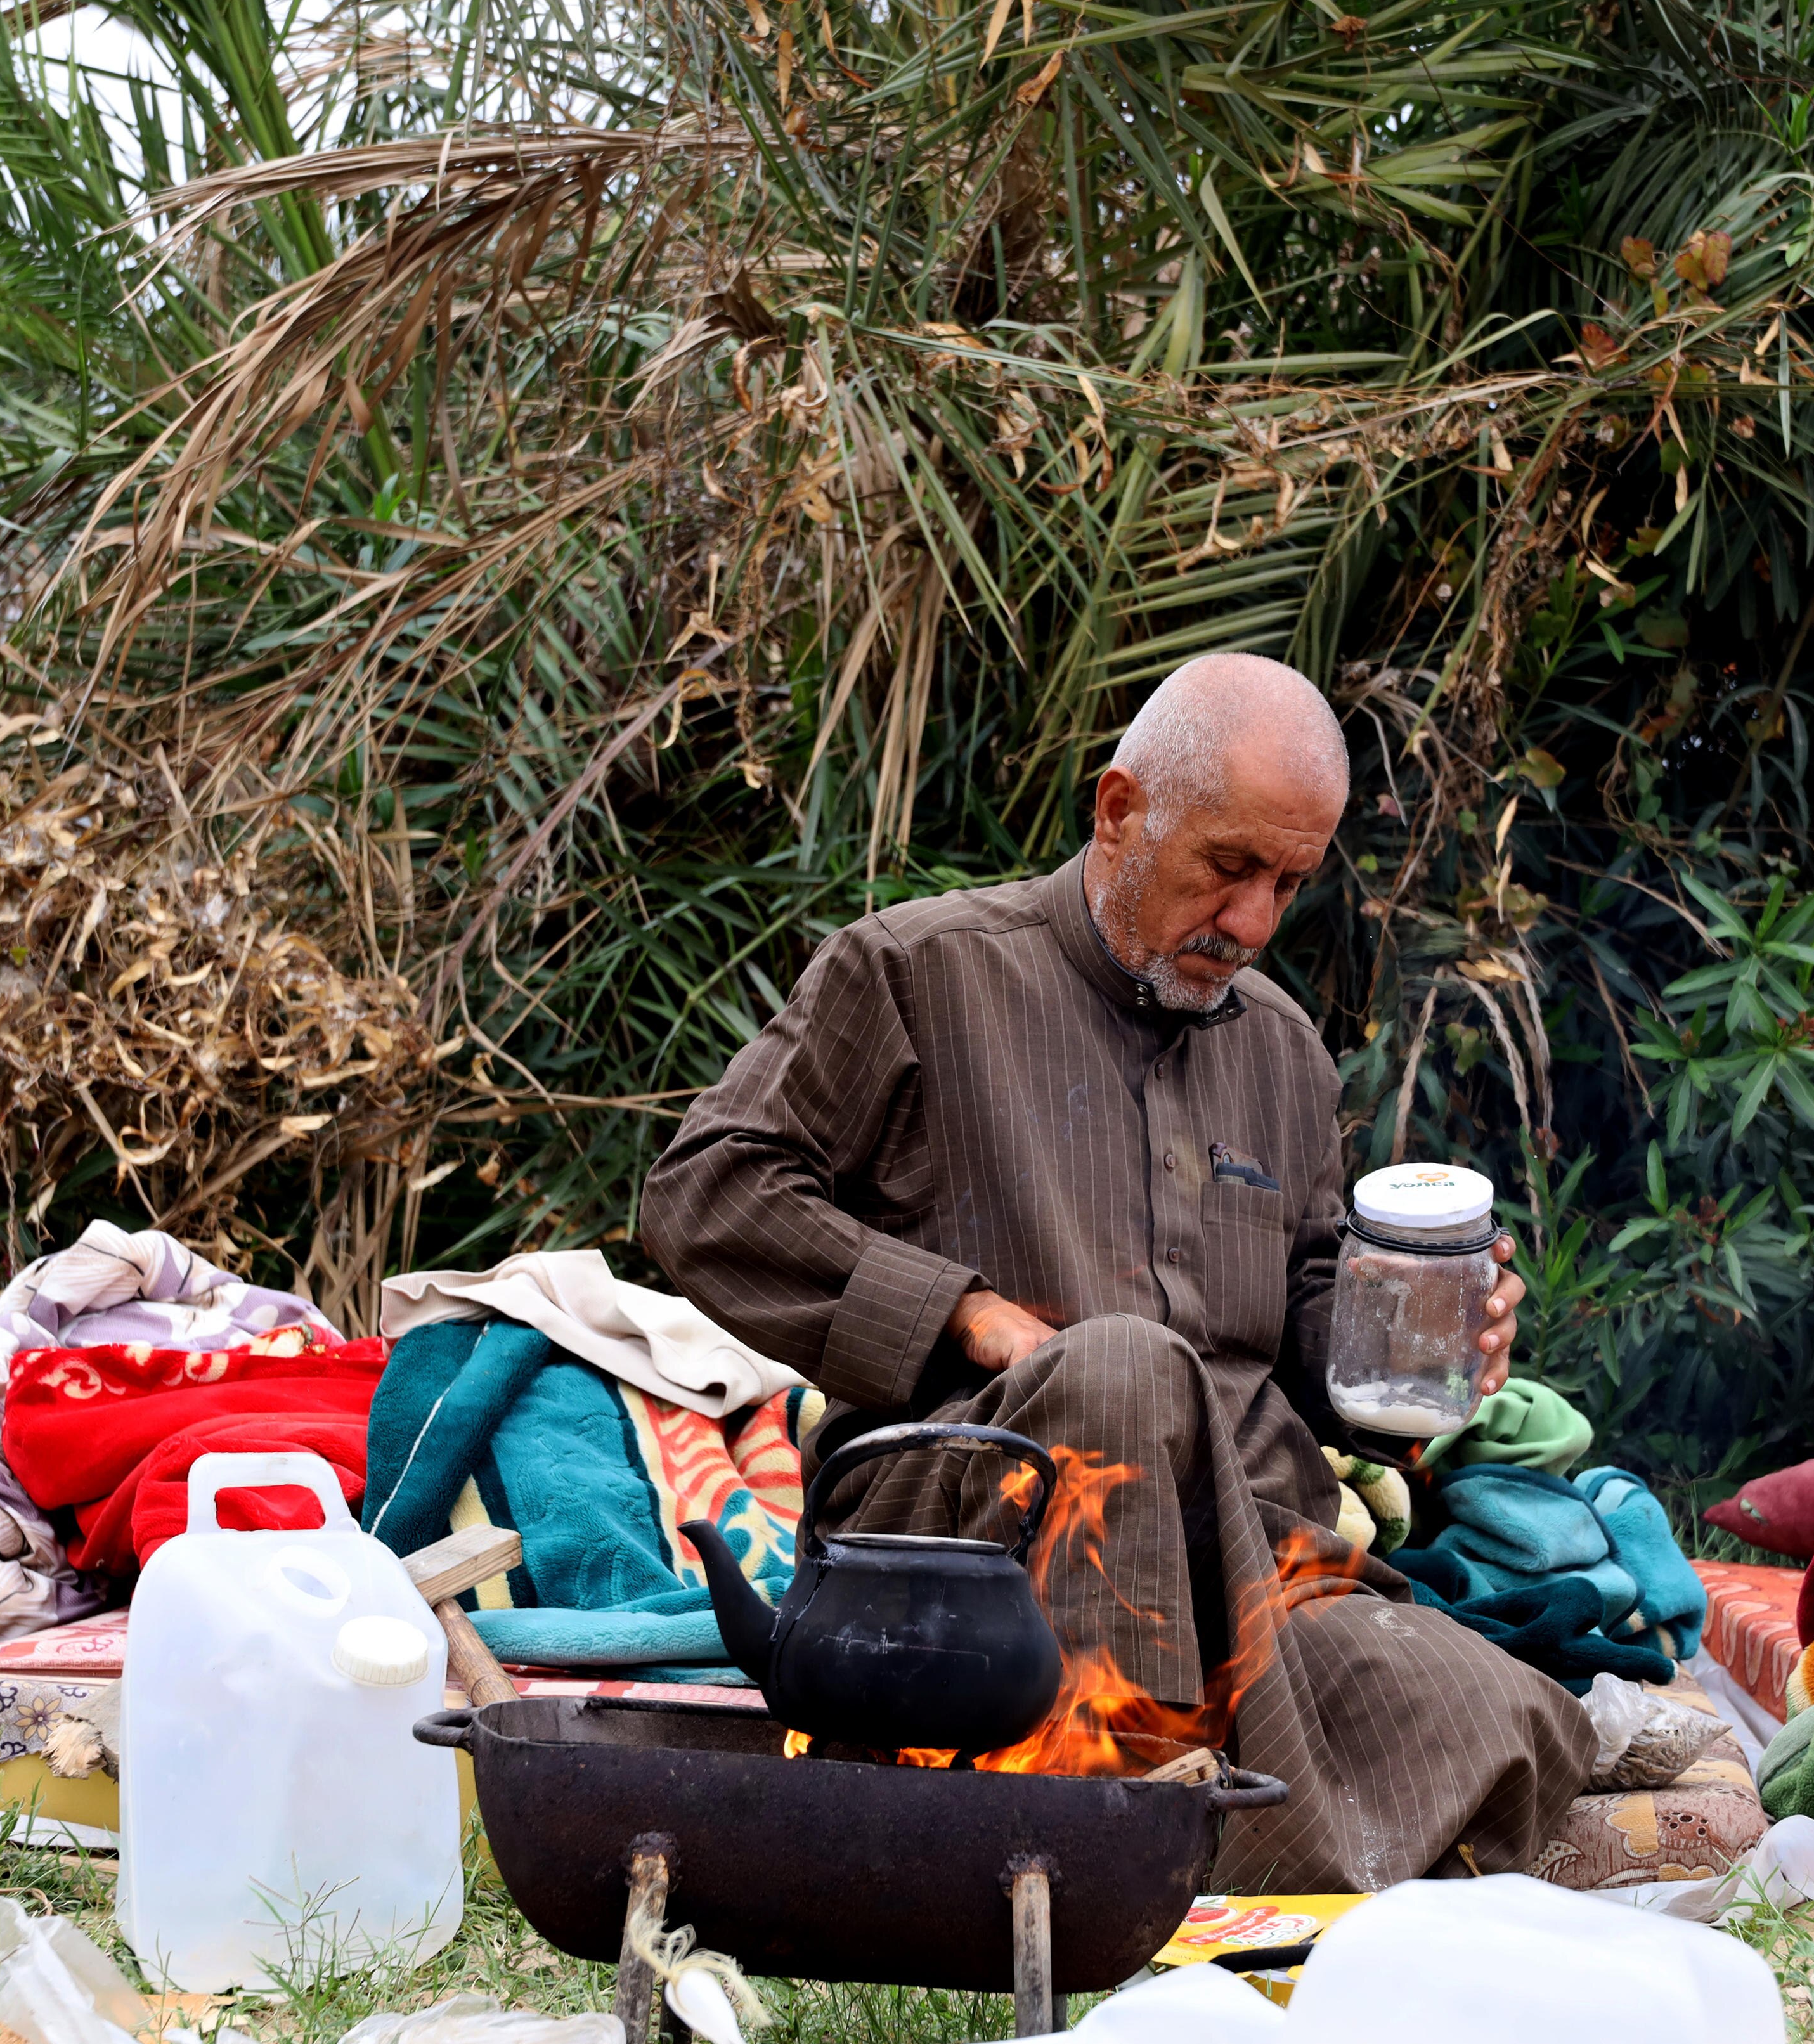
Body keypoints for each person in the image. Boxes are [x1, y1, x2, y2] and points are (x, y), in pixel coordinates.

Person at [640, 652, 1591, 1891]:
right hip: (979, 1542)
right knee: (1125, 1371)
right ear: (1117, 809)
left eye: (1288, 884)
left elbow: (1309, 1334)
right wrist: (958, 1311)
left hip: (1243, 1561)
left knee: (1506, 1716)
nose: (1251, 922)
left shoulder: (1284, 1051)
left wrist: (1416, 1338)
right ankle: (1113, 1858)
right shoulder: (917, 971)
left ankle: (1170, 1844)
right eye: (1227, 866)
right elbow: (701, 1188)